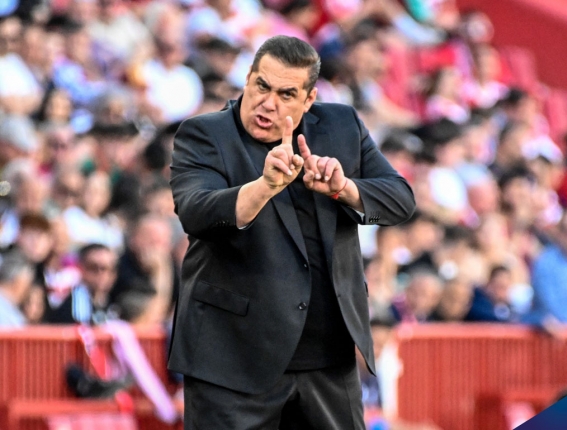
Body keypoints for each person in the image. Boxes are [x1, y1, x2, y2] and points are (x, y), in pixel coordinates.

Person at [168, 36, 415, 429]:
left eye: (286, 94)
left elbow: (400, 199)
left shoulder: (342, 125)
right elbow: (197, 213)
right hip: (233, 363)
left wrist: (344, 187)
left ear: (309, 99)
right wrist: (263, 187)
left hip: (328, 360)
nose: (268, 103)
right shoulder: (205, 134)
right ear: (247, 79)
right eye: (262, 86)